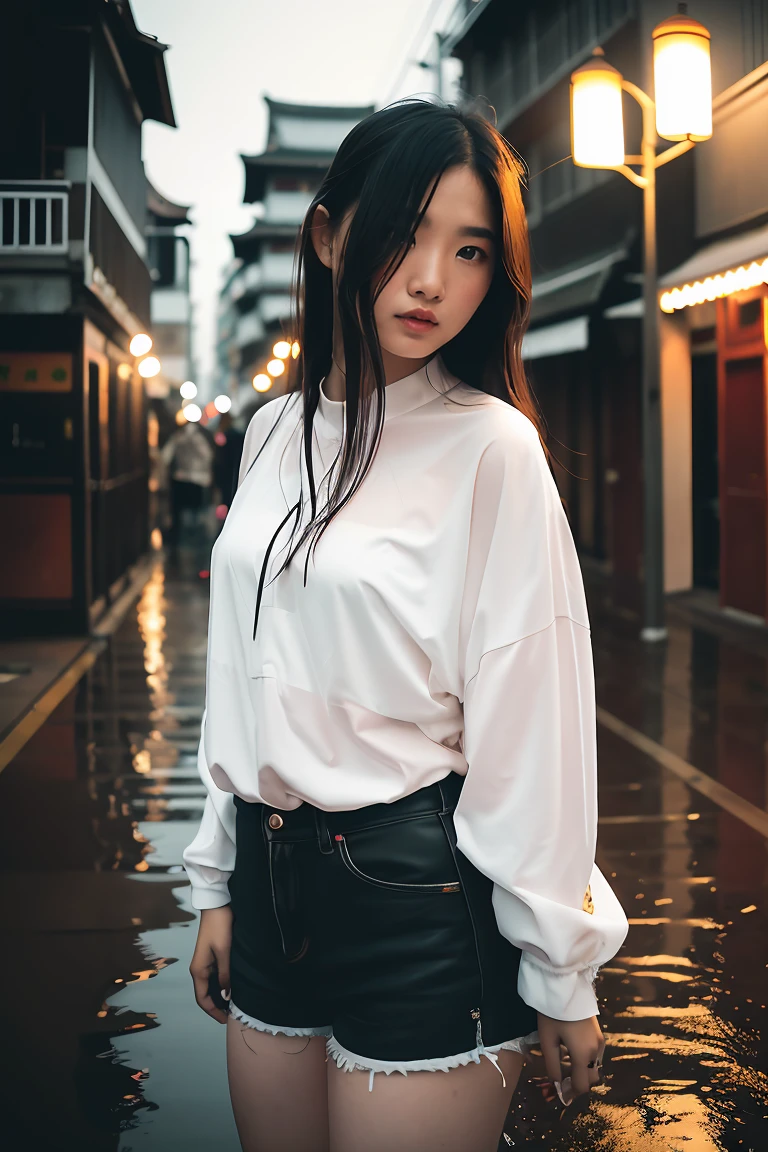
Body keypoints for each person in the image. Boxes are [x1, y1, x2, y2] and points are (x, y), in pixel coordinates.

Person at [182, 99, 629, 1152]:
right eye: (408, 233)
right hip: (269, 877)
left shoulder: (493, 450)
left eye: (470, 250)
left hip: (418, 899)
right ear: (330, 234)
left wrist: (560, 970)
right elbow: (240, 670)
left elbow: (534, 725)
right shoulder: (270, 433)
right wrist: (216, 880)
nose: (433, 279)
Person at [161, 420, 215, 548]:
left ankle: (182, 541)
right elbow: (208, 456)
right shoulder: (200, 438)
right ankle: (196, 541)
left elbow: (165, 456)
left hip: (180, 478)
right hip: (199, 480)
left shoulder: (177, 437)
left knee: (181, 513)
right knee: (196, 512)